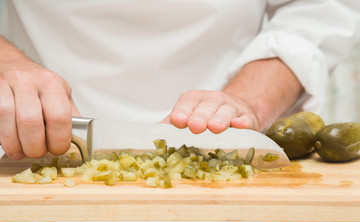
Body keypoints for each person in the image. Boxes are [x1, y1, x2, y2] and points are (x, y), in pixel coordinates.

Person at [0, 0, 359, 160]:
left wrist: (250, 99)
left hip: (227, 138)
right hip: (31, 135)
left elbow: (320, 7)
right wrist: (7, 62)